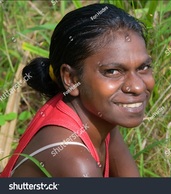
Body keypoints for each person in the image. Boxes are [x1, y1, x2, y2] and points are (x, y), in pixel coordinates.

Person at [0, 3, 154, 177]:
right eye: (112, 71)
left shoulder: (99, 118)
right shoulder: (75, 162)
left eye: (144, 67)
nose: (137, 86)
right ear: (71, 79)